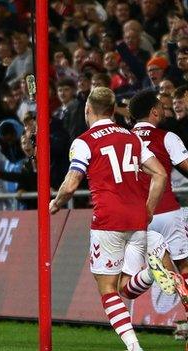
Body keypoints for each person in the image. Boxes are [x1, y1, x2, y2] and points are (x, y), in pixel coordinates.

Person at [49, 87, 168, 351]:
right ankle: (150, 273)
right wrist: (148, 209)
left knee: (108, 289)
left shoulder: (84, 141)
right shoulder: (132, 137)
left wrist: (55, 204)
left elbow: (70, 186)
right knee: (126, 287)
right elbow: (160, 174)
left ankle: (134, 347)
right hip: (137, 219)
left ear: (87, 110)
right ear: (113, 111)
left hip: (108, 219)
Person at [124, 90, 188, 310]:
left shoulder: (124, 141)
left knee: (163, 270)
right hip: (168, 210)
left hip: (139, 217)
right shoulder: (167, 137)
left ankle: (153, 273)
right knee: (184, 266)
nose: (163, 109)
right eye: (161, 106)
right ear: (154, 112)